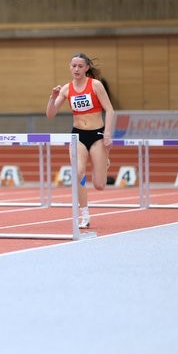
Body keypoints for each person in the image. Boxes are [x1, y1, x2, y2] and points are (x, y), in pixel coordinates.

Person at [46, 53, 115, 229]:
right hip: (78, 136)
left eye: (79, 66)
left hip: (97, 135)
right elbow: (50, 114)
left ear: (86, 68)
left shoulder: (95, 85)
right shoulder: (66, 89)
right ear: (70, 67)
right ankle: (84, 214)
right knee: (79, 174)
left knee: (99, 185)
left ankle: (104, 162)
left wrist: (107, 134)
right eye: (73, 66)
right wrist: (52, 97)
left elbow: (110, 110)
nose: (76, 69)